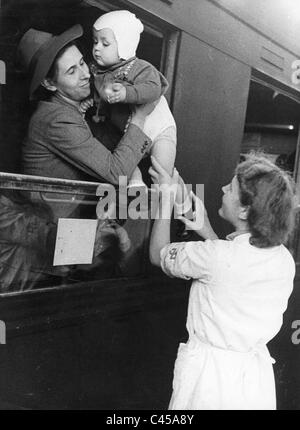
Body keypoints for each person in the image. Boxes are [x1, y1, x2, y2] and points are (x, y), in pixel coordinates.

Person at [149, 152, 296, 410]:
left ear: (245, 209)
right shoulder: (282, 258)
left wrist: (165, 199)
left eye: (230, 188)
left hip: (209, 381)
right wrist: (205, 228)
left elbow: (157, 254)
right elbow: (233, 272)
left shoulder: (215, 257)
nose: (222, 189)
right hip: (252, 382)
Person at [17, 24, 153, 184]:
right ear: (49, 83)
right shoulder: (57, 119)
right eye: (72, 71)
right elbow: (116, 173)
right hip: (49, 209)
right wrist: (140, 116)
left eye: (82, 63)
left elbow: (115, 148)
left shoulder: (78, 109)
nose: (86, 74)